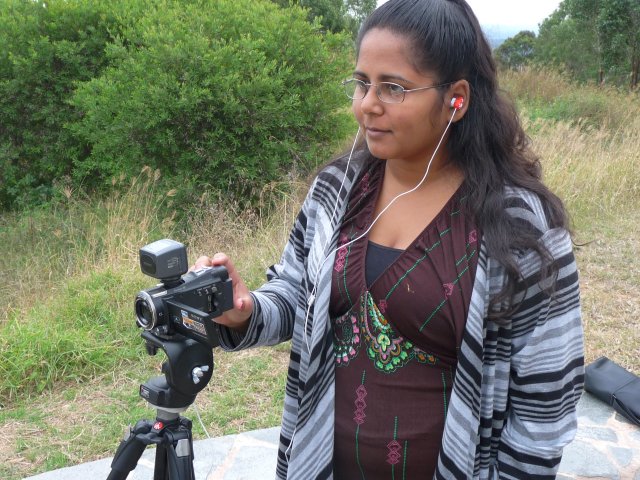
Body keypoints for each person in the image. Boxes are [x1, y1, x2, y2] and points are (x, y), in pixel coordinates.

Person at [193, 0, 584, 478]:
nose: (367, 105)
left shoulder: (520, 223)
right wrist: (245, 310)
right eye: (361, 83)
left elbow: (545, 401)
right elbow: (296, 293)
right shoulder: (336, 192)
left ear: (455, 98)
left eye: (393, 88)